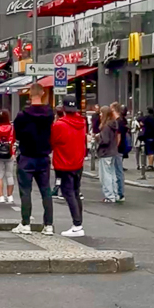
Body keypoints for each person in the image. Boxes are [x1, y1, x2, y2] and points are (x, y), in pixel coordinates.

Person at [11, 83, 54, 234]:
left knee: (25, 191)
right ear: (42, 93)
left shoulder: (22, 115)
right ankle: (48, 225)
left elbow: (16, 133)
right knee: (46, 191)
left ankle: (25, 224)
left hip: (27, 156)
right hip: (43, 156)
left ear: (29, 94)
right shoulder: (50, 113)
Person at [51, 95, 87, 236]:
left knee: (68, 193)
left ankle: (77, 225)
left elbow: (52, 142)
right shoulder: (82, 122)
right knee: (76, 192)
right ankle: (78, 223)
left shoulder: (59, 125)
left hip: (64, 162)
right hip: (78, 162)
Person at [0, 109, 17, 206]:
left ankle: (1, 196)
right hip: (10, 152)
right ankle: (10, 196)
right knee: (9, 174)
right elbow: (14, 139)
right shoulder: (12, 128)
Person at [96, 106, 121, 203]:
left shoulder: (105, 126)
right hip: (113, 152)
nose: (100, 115)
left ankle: (109, 196)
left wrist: (98, 138)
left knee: (105, 176)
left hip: (105, 153)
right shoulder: (113, 125)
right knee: (112, 174)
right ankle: (115, 194)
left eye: (101, 113)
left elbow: (105, 140)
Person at [110, 103, 127, 202]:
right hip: (120, 149)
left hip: (118, 149)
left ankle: (120, 193)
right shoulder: (121, 121)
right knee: (117, 170)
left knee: (118, 171)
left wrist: (115, 147)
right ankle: (118, 192)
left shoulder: (118, 122)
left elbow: (119, 136)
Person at [139, 107, 154, 171]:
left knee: (148, 151)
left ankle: (148, 165)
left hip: (147, 136)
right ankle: (151, 164)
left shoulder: (146, 118)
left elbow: (140, 122)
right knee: (152, 150)